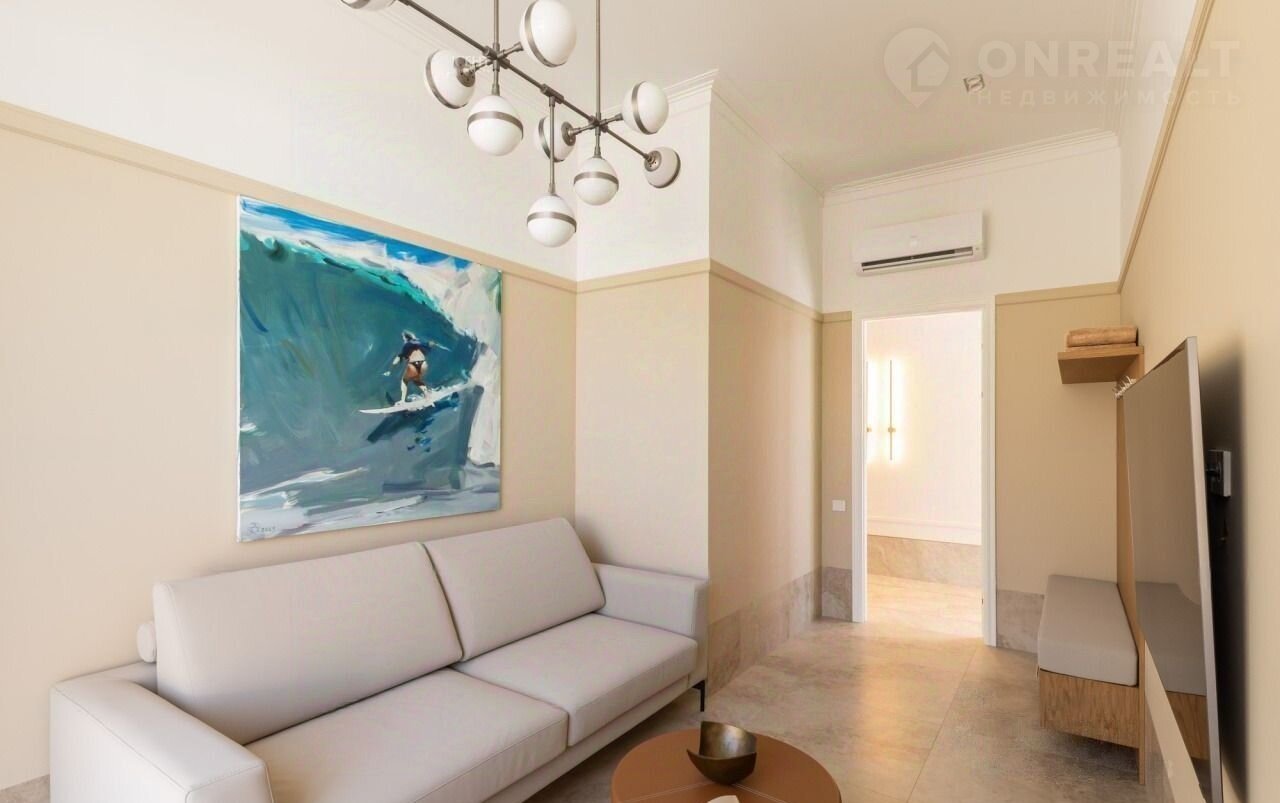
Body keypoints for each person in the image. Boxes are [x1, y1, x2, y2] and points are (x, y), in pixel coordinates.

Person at [389, 331, 432, 404]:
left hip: (413, 365)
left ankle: (402, 400)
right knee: (416, 380)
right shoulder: (419, 343)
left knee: (404, 380)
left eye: (403, 337)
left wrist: (391, 368)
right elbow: (429, 345)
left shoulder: (407, 345)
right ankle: (427, 395)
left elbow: (398, 359)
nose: (403, 339)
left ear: (406, 338)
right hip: (424, 364)